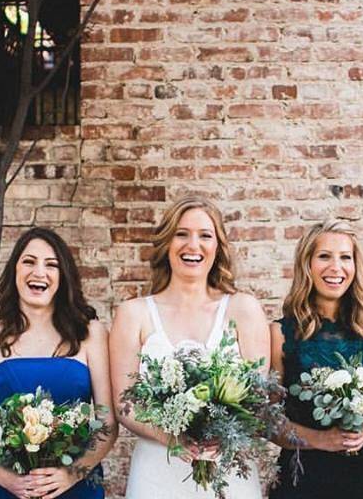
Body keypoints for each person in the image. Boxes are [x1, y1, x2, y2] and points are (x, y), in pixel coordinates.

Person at [110, 196, 269, 499]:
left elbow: (258, 398)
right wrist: (171, 437)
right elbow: (125, 404)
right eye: (181, 234)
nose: (192, 245)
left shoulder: (243, 309)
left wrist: (223, 436)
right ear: (166, 243)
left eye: (205, 235)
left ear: (217, 247)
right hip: (157, 473)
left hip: (227, 472)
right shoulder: (134, 314)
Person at [0, 227, 116, 499]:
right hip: (6, 490)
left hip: (75, 488)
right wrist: (4, 478)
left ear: (63, 277)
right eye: (29, 262)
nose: (39, 272)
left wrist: (71, 475)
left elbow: (107, 423)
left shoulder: (91, 334)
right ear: (15, 271)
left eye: (51, 265)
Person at [269, 219, 363, 499]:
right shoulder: (279, 334)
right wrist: (320, 440)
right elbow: (269, 420)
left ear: (355, 266)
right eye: (324, 256)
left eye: (345, 257)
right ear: (307, 265)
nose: (335, 267)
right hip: (301, 478)